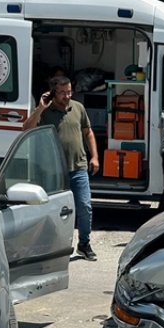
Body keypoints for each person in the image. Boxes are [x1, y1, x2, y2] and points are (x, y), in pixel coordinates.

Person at [22, 75, 100, 260]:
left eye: (69, 91)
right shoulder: (45, 111)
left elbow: (88, 132)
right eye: (63, 92)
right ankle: (49, 245)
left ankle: (84, 244)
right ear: (53, 93)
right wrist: (41, 107)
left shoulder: (78, 108)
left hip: (78, 166)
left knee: (84, 206)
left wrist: (95, 156)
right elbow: (26, 128)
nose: (67, 95)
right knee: (51, 209)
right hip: (53, 170)